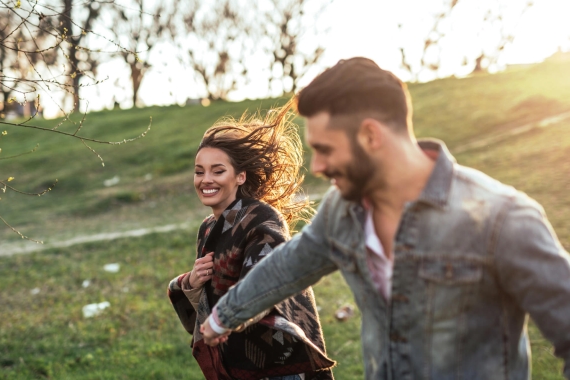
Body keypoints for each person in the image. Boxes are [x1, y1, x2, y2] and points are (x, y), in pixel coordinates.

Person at [200, 57, 570, 379]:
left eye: (325, 150)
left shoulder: (502, 219)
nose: (318, 166)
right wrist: (224, 316)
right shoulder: (342, 212)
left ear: (371, 135)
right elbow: (286, 267)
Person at [168, 101, 335, 380]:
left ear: (240, 176)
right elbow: (209, 300)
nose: (205, 179)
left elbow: (266, 283)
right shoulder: (208, 228)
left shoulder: (262, 219)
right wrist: (192, 282)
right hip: (236, 361)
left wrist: (225, 317)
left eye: (217, 171)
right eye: (199, 171)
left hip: (278, 364)